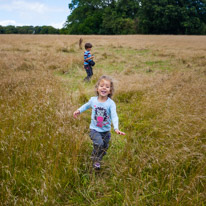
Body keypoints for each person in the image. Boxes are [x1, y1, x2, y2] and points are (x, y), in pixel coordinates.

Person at [73, 75, 125, 169]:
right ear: (97, 88)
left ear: (110, 91)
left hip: (106, 131)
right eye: (101, 86)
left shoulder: (110, 103)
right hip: (94, 129)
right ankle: (95, 160)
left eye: (107, 86)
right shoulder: (93, 100)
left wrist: (116, 128)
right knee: (99, 144)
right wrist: (79, 110)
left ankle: (98, 159)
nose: (104, 88)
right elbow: (86, 106)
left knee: (104, 148)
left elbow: (114, 116)